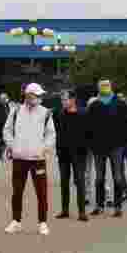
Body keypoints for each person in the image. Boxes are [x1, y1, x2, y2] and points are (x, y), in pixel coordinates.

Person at [3, 83, 57, 235]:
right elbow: (7, 130)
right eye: (36, 95)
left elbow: (51, 134)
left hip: (37, 159)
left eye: (40, 95)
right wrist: (13, 146)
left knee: (42, 192)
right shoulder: (15, 111)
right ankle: (16, 221)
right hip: (19, 158)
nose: (39, 98)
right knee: (17, 191)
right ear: (27, 95)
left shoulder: (45, 113)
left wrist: (44, 148)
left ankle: (42, 222)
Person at [86, 79, 127, 218]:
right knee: (99, 178)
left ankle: (118, 207)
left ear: (111, 87)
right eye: (102, 86)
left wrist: (123, 143)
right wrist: (91, 144)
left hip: (116, 146)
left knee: (117, 177)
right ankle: (99, 206)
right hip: (98, 147)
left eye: (107, 85)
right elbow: (88, 126)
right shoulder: (94, 105)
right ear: (98, 88)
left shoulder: (120, 104)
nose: (105, 87)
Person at [53, 91, 90, 220]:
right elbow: (55, 131)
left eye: (65, 99)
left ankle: (82, 212)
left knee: (80, 181)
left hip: (79, 154)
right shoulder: (59, 114)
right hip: (63, 153)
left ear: (73, 100)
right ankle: (65, 210)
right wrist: (57, 148)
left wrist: (86, 147)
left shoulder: (83, 114)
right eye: (62, 100)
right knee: (64, 182)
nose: (63, 102)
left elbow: (89, 132)